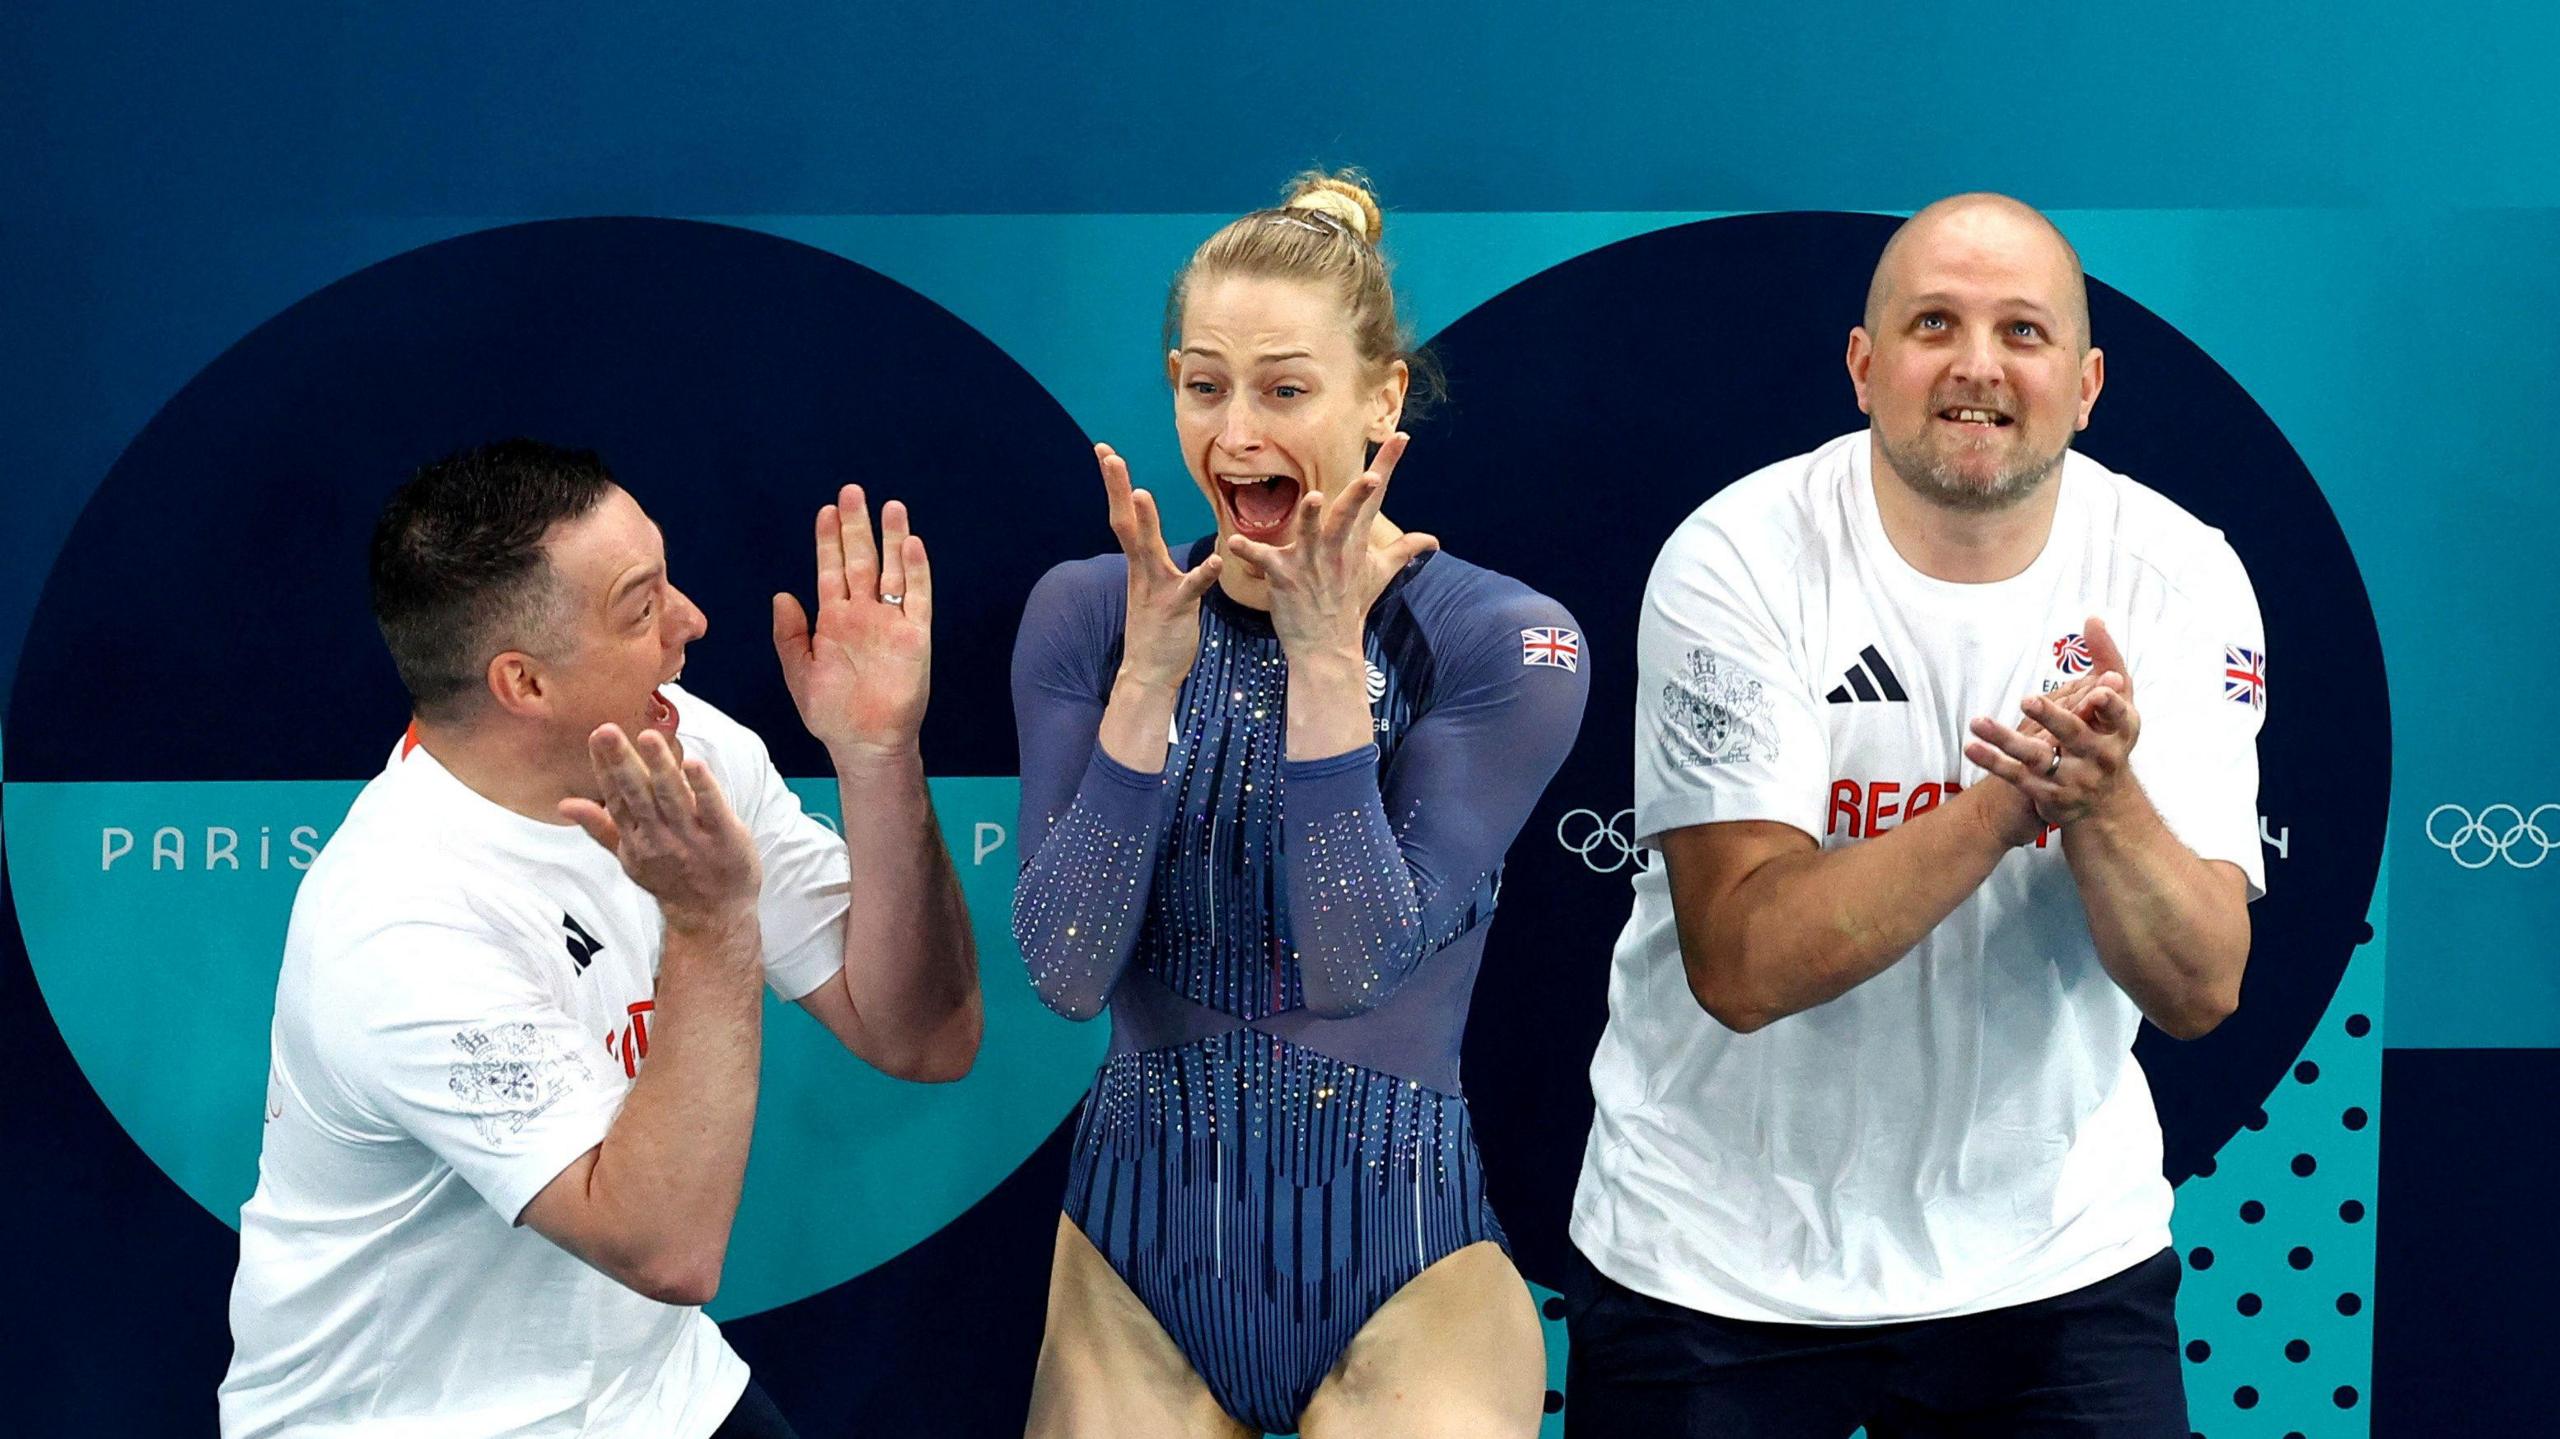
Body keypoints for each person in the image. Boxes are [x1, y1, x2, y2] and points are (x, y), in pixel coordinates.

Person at [1564, 194, 2266, 1437]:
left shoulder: (2178, 574)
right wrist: (2009, 803)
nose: (1977, 366)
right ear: (1863, 364)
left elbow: (2199, 984)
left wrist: (2101, 805)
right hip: (1711, 1261)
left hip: (2052, 1262)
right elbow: (1743, 962)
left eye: (2023, 332)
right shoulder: (1736, 558)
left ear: (2088, 380)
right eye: (1933, 322)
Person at [218, 439, 981, 1438]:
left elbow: (921, 1033)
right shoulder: (401, 920)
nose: (691, 622)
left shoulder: (687, 746)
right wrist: (707, 923)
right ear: (523, 683)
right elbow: (665, 1247)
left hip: (663, 1393)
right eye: (641, 603)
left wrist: (877, 753)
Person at [1009, 173, 1589, 1438]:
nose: (1235, 431)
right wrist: (1146, 689)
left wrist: (1329, 664)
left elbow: (1354, 960)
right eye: (1204, 385)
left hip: (1408, 1273)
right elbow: (1061, 970)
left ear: (1381, 397)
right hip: (1129, 1274)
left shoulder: (1501, 639)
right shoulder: (1089, 615)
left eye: (1284, 388)